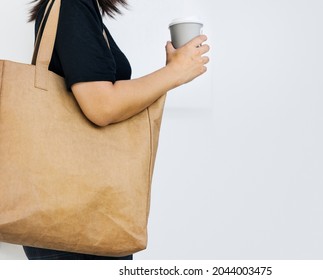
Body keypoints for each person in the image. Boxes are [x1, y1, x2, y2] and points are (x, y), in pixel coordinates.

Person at [23, 0, 210, 260]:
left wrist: (172, 72)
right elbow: (101, 106)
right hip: (77, 223)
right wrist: (175, 72)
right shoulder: (73, 5)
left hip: (77, 212)